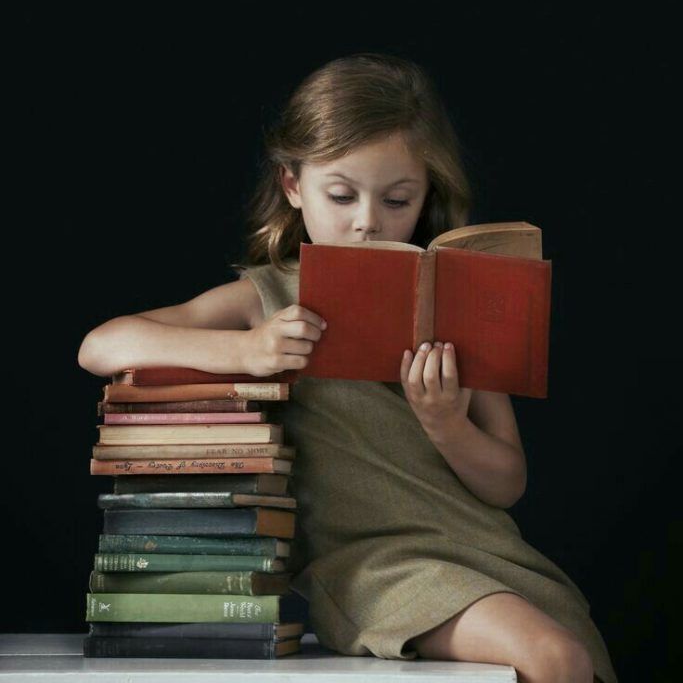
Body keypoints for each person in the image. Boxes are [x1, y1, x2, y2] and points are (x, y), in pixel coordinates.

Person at [78, 52, 618, 683]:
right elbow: (101, 345)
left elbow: (507, 483)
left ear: (426, 196)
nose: (367, 222)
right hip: (374, 568)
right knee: (555, 660)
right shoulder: (269, 297)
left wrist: (446, 422)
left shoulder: (451, 303)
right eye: (341, 194)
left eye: (397, 199)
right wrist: (245, 350)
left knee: (568, 653)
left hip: (489, 554)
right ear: (292, 186)